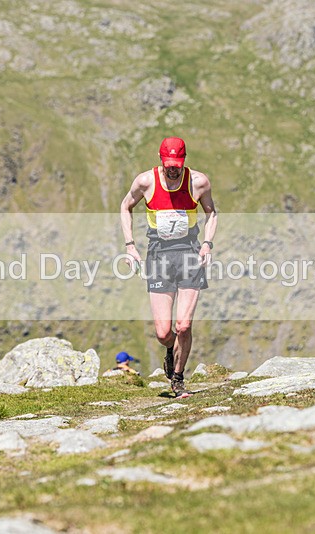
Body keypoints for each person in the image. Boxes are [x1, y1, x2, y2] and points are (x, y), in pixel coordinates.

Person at [120, 137, 218, 398]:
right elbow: (125, 206)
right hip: (158, 255)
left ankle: (178, 378)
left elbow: (211, 212)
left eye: (177, 164)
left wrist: (207, 244)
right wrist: (130, 245)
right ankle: (171, 349)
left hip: (189, 254)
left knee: (184, 325)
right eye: (168, 164)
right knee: (164, 332)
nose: (172, 169)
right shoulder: (146, 181)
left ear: (184, 160)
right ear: (160, 160)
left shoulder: (198, 182)